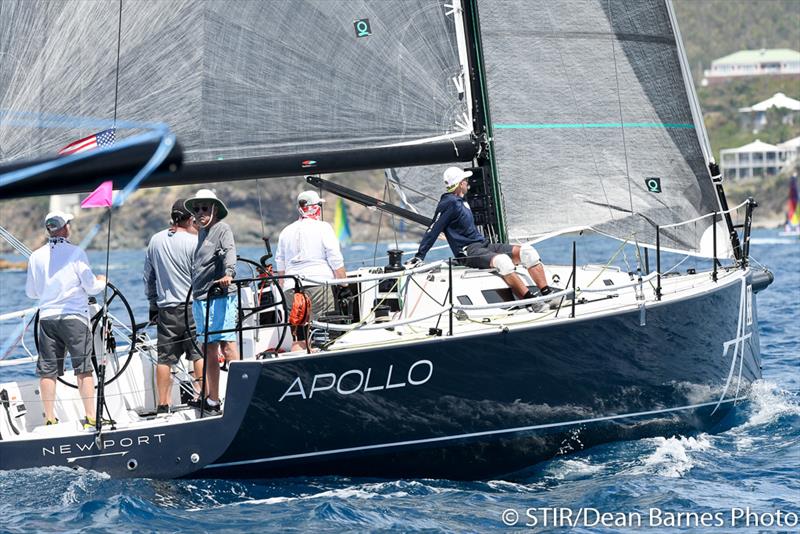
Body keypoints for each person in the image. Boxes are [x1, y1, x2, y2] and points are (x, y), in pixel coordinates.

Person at [406, 167, 554, 308]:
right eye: (465, 180)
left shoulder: (461, 200)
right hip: (468, 252)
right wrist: (420, 255)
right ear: (459, 184)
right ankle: (531, 302)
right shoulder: (448, 203)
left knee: (528, 252)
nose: (467, 182)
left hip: (483, 245)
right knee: (503, 262)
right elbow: (433, 229)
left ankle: (547, 294)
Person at [25, 211, 106, 427]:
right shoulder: (76, 252)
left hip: (47, 320)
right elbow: (91, 287)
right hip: (74, 318)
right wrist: (102, 281)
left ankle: (50, 419)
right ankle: (90, 417)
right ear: (65, 228)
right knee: (83, 368)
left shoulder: (35, 256)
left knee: (48, 371)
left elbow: (32, 293)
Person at [143, 199, 202, 415]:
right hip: (191, 307)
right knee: (197, 353)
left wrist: (152, 304)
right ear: (190, 218)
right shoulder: (194, 242)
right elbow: (201, 277)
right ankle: (201, 395)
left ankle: (163, 404)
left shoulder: (155, 240)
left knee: (164, 358)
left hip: (165, 309)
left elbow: (148, 277)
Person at [184, 189, 238, 413]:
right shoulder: (201, 233)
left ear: (215, 209)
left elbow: (229, 251)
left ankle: (242, 395)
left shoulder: (222, 229)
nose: (200, 213)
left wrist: (229, 273)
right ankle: (213, 400)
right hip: (201, 298)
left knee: (227, 344)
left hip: (219, 296)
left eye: (205, 208)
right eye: (196, 209)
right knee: (208, 347)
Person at [275, 190, 346, 351]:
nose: (320, 209)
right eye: (319, 205)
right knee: (322, 334)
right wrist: (344, 285)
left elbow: (280, 263)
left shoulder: (285, 231)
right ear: (314, 208)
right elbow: (334, 257)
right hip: (317, 284)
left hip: (290, 287)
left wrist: (283, 286)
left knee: (298, 337)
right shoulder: (323, 227)